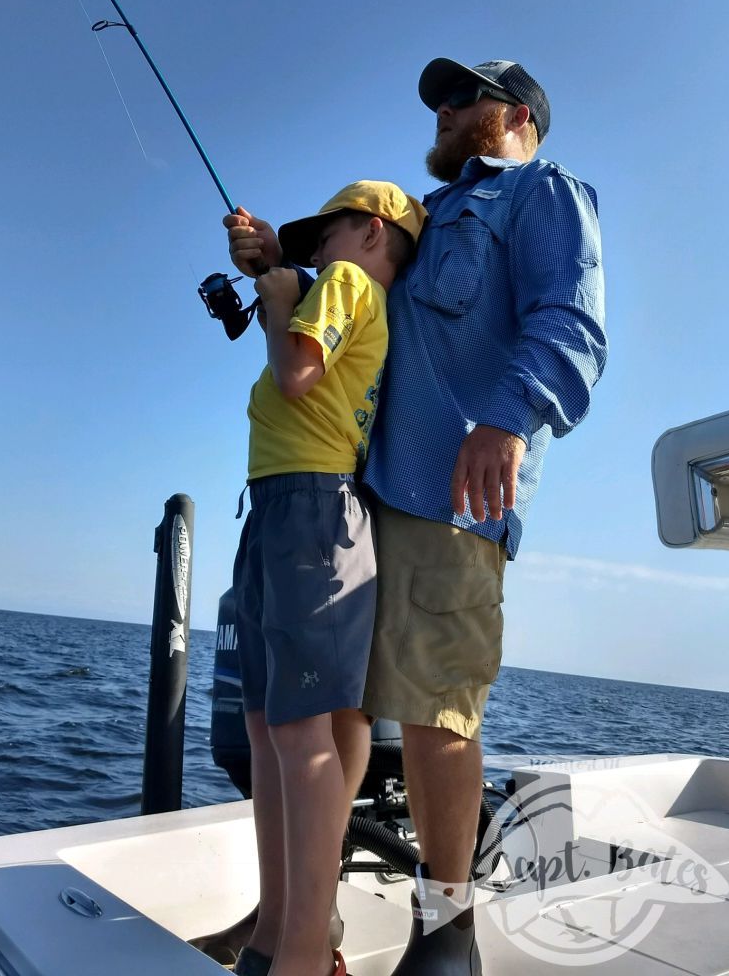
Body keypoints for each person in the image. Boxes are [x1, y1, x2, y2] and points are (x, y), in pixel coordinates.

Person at [226, 58, 607, 974]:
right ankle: (301, 923)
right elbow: (355, 300)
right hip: (355, 502)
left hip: (452, 501)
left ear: (513, 115)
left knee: (437, 714)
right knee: (333, 710)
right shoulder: (423, 228)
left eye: (461, 99)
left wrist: (508, 422)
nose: (440, 111)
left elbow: (574, 321)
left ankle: (448, 929)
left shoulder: (544, 196)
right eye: (438, 98)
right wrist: (280, 268)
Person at [228, 180, 427, 976]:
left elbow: (297, 375)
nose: (316, 251)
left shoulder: (348, 286)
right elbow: (303, 340)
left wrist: (279, 297)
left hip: (312, 510)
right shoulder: (341, 287)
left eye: (328, 234)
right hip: (281, 507)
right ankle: (277, 929)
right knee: (265, 727)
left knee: (297, 734)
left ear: (372, 235)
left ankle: (303, 952)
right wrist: (275, 275)